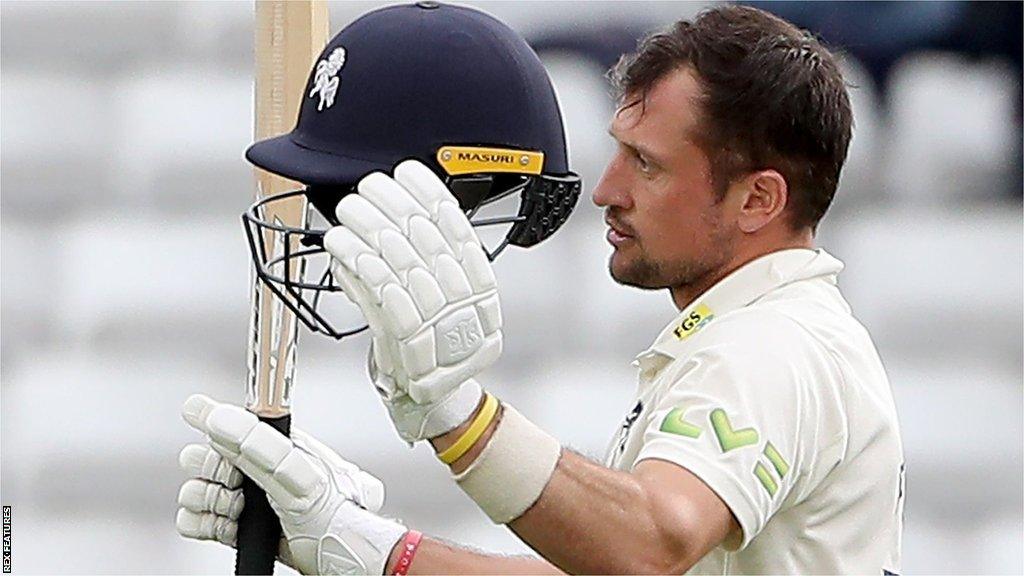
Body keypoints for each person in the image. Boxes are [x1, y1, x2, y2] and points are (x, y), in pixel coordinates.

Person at [177, 4, 904, 574]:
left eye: (646, 165)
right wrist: (361, 546)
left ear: (758, 200)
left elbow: (649, 546)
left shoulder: (770, 346)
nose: (608, 191)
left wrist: (456, 415)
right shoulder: (756, 333)